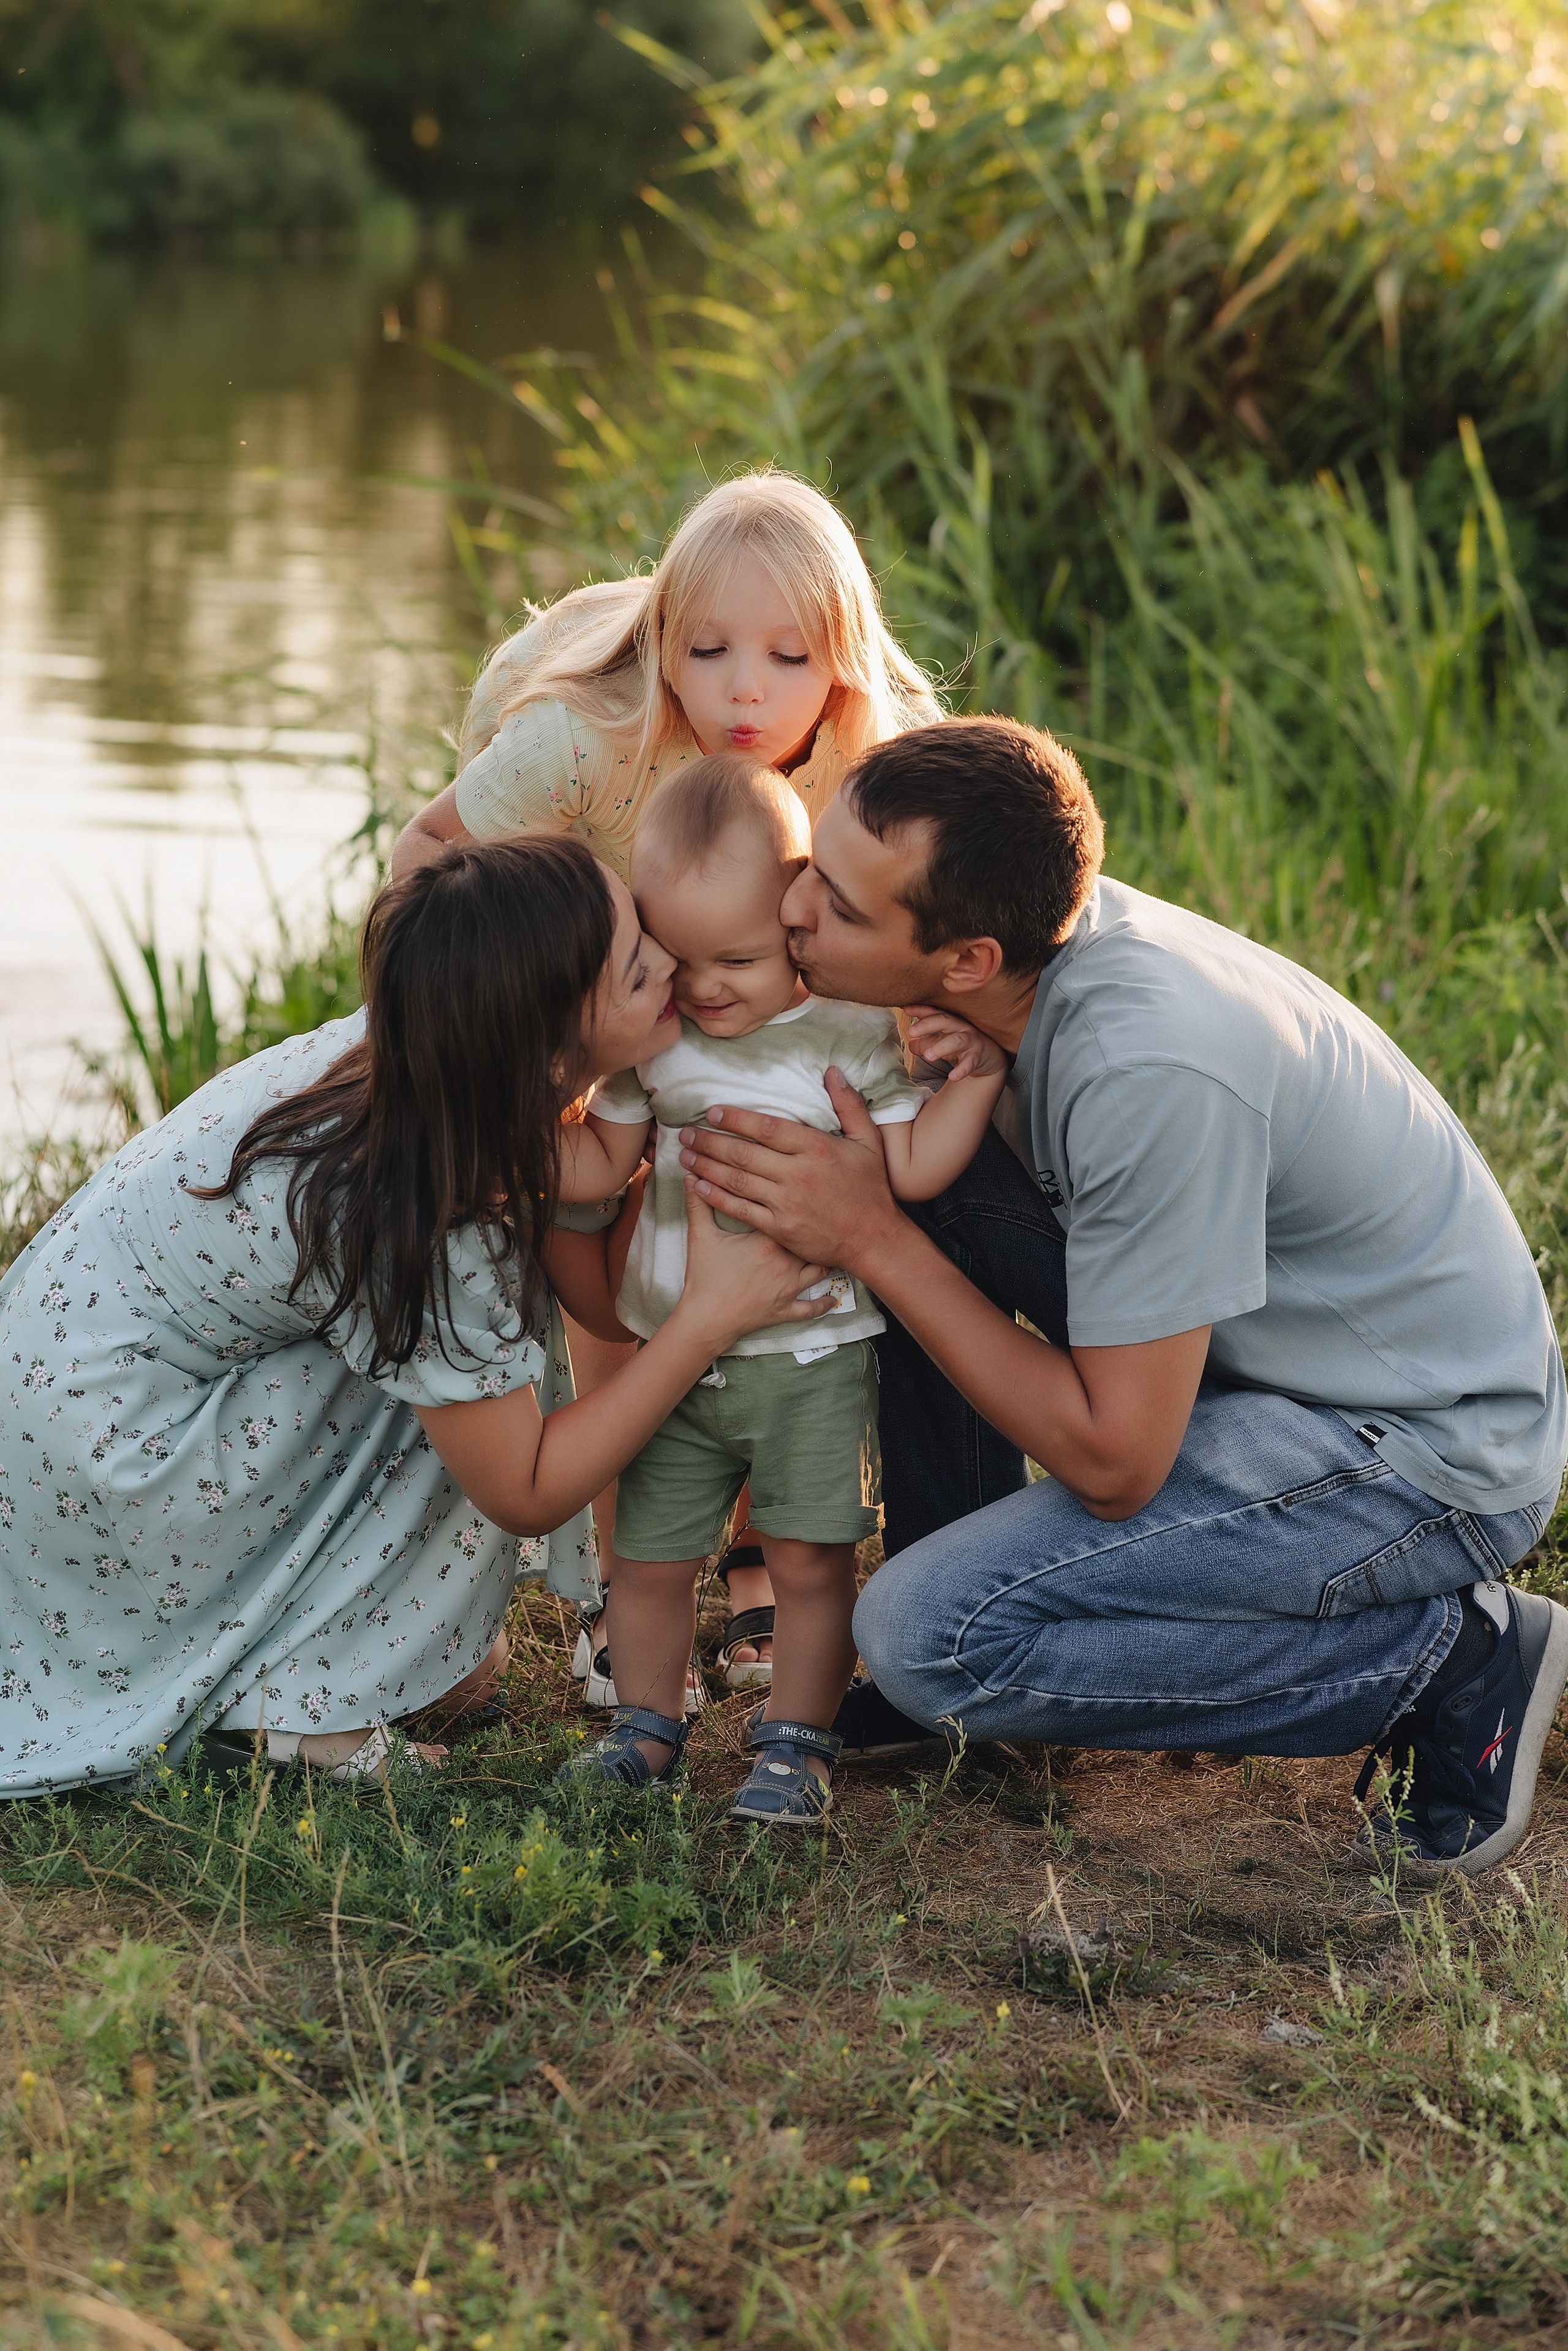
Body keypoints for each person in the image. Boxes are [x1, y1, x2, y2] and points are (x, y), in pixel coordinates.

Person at [678, 717, 1568, 1878]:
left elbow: (1116, 1458)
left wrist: (870, 1236)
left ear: (970, 959)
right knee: (924, 1185)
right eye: (814, 870)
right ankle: (969, 1606)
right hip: (1275, 1367)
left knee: (922, 1638)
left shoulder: (1145, 1065)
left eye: (841, 908)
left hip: (1419, 1449)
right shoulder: (1015, 978)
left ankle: (1451, 1661)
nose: (793, 909)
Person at [0, 837, 831, 1797]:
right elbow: (524, 1486)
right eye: (644, 969)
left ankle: (339, 1654)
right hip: (113, 1462)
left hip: (59, 1413)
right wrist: (706, 1321)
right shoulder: (424, 1219)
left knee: (455, 1359)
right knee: (452, 1373)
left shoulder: (427, 1058)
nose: (673, 966)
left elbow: (589, 1211)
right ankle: (298, 1716)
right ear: (556, 1049)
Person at [391, 470, 941, 1705]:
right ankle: (613, 1578)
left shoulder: (865, 765)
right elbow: (426, 855)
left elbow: (918, 934)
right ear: (658, 644)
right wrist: (458, 1051)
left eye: (788, 657)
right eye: (707, 649)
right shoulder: (587, 743)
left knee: (749, 1224)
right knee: (612, 1263)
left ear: (842, 664)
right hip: (602, 996)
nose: (747, 689)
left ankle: (758, 1555)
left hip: (744, 1017)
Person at [555, 753, 1005, 1823]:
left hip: (814, 1356)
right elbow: (592, 1168)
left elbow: (907, 1169)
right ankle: (647, 1725)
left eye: (739, 958)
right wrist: (513, 1136)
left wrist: (977, 1079)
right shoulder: (656, 1049)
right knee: (651, 1558)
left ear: (799, 920)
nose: (705, 986)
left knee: (808, 1558)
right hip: (680, 1356)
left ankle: (797, 1744)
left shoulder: (849, 1037)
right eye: (678, 958)